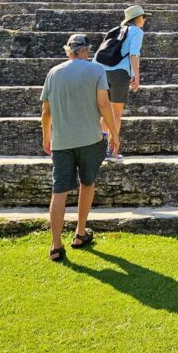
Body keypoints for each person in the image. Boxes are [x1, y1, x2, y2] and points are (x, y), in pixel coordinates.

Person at [40, 33, 117, 262]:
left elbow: (46, 111)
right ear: (85, 50)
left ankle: (55, 245)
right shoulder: (96, 70)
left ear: (68, 50)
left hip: (62, 141)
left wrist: (47, 137)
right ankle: (80, 233)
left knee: (59, 191)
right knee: (87, 184)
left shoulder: (54, 73)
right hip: (90, 139)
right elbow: (103, 104)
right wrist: (114, 132)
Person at [94, 4, 148, 159]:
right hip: (120, 74)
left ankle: (94, 145)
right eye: (144, 17)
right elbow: (134, 54)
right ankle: (110, 149)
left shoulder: (115, 30)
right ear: (138, 18)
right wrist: (136, 76)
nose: (145, 20)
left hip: (101, 72)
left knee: (104, 111)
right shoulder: (137, 31)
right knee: (116, 114)